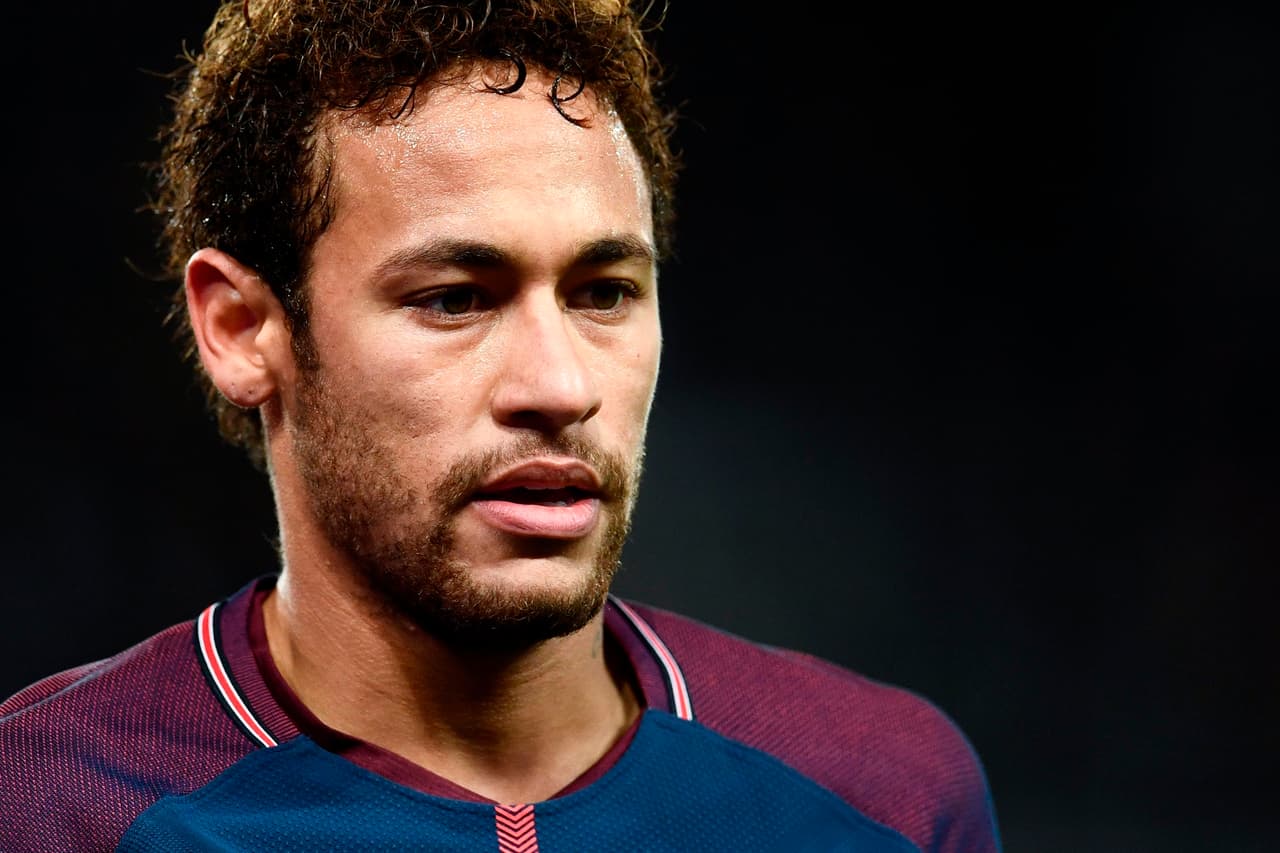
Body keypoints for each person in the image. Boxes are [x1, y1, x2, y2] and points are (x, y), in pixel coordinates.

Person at [0, 1, 1002, 850]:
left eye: (604, 291)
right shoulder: (46, 805)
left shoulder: (884, 793)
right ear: (241, 329)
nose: (560, 386)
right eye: (454, 298)